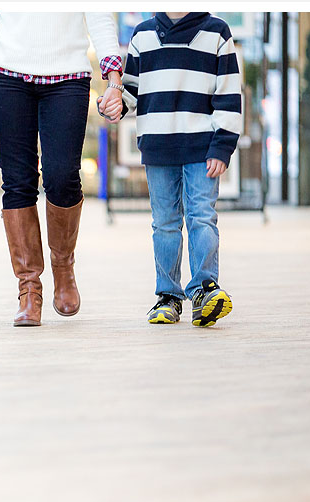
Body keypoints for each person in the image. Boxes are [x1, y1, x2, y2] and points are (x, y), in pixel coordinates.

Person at [0, 13, 123, 326]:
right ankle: (29, 288)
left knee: (63, 177)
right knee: (18, 182)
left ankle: (62, 263)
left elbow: (100, 17)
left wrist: (113, 81)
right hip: (6, 75)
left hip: (68, 76)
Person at [112, 12, 239, 326]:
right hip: (158, 147)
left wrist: (222, 145)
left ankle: (205, 289)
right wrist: (115, 102)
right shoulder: (142, 35)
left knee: (202, 216)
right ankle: (168, 296)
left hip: (203, 147)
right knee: (165, 223)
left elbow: (229, 93)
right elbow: (130, 89)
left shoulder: (217, 33)